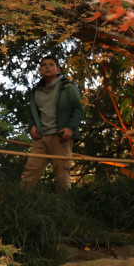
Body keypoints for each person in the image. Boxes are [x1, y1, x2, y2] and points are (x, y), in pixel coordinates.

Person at [21, 55, 84, 193]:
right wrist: (32, 125)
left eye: (51, 64)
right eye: (43, 65)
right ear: (40, 69)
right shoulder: (36, 91)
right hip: (41, 137)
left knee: (62, 174)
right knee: (29, 172)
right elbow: (35, 113)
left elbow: (79, 109)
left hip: (60, 136)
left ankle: (64, 209)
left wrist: (70, 128)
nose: (47, 67)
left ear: (58, 69)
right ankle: (20, 205)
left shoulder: (68, 87)